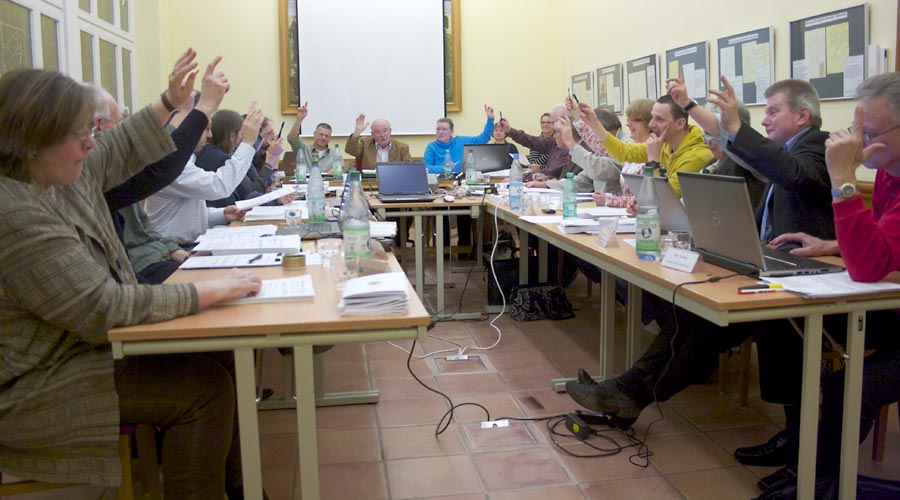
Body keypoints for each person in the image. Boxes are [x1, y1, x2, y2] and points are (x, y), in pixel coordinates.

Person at [0, 50, 262, 500]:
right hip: (45, 381)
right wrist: (209, 291)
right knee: (205, 390)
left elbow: (118, 148)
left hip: (82, 353)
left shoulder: (53, 176)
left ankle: (236, 490)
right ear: (32, 141)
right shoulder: (17, 214)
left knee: (219, 354)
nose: (90, 143)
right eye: (80, 132)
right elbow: (102, 308)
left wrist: (167, 102)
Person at [566, 77, 834, 483]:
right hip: (768, 265)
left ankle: (800, 445)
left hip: (811, 282)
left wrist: (718, 122)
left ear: (802, 115)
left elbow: (795, 176)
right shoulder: (775, 153)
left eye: (773, 111)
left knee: (711, 321)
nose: (766, 120)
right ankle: (628, 392)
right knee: (692, 317)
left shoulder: (817, 145)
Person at [754, 72, 900, 499]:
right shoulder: (891, 168)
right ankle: (802, 457)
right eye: (858, 129)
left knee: (852, 386)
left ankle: (813, 480)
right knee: (783, 321)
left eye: (869, 132)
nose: (859, 140)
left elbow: (871, 264)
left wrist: (843, 179)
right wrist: (832, 243)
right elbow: (881, 242)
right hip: (889, 303)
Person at [145, 103, 264, 246]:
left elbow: (185, 216)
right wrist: (248, 143)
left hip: (182, 245)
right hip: (170, 250)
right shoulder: (170, 163)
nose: (210, 135)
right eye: (206, 129)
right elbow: (219, 186)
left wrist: (222, 214)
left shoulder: (186, 159)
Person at [576, 94, 711, 197]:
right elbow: (623, 152)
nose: (651, 124)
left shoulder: (697, 156)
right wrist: (593, 122)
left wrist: (653, 161)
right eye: (652, 118)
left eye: (659, 119)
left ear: (680, 124)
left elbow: (663, 199)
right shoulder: (664, 145)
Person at [500, 105, 570, 180]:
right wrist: (509, 130)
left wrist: (520, 179)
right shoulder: (553, 142)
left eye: (552, 123)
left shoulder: (568, 148)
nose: (551, 126)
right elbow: (530, 141)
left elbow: (550, 172)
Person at [423, 105, 495, 174]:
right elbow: (425, 168)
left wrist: (490, 120)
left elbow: (482, 139)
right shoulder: (431, 147)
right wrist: (444, 168)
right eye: (438, 129)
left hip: (460, 181)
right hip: (440, 182)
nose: (440, 132)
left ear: (451, 131)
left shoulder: (461, 141)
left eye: (444, 129)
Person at [345, 114, 412, 169]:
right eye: (377, 132)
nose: (382, 135)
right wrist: (357, 133)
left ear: (390, 131)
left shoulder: (402, 147)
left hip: (394, 181)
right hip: (370, 181)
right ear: (372, 135)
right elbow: (350, 150)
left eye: (385, 130)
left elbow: (409, 168)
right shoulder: (365, 143)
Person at [287, 102, 338, 172]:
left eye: (326, 136)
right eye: (321, 134)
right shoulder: (303, 149)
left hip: (327, 182)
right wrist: (299, 119)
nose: (323, 138)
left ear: (330, 138)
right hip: (306, 182)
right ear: (314, 134)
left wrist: (336, 171)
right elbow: (292, 139)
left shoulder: (335, 154)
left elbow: (341, 172)